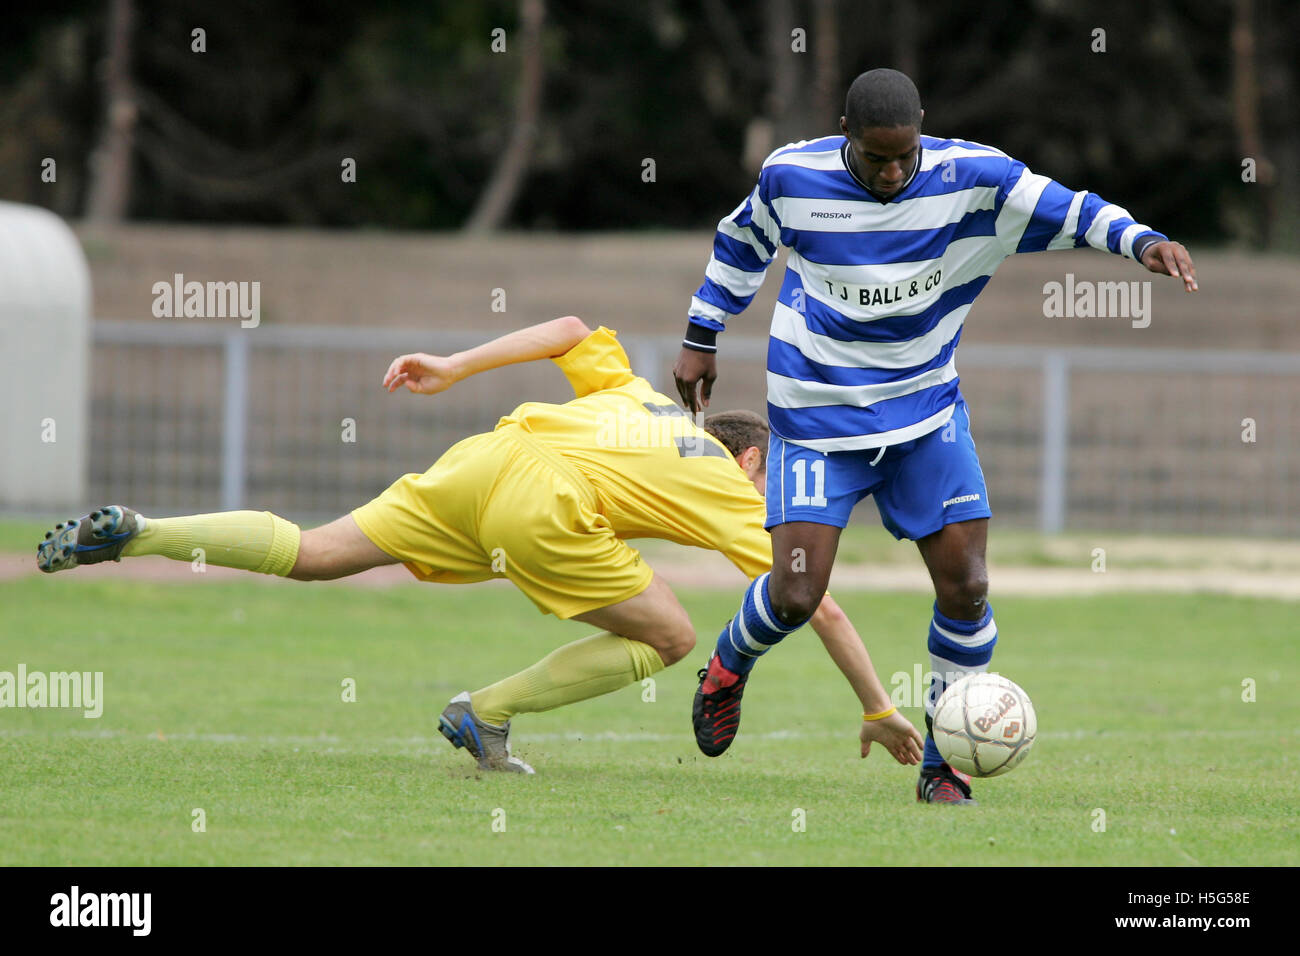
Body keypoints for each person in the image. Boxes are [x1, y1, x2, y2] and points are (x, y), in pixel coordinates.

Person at [38, 316, 923, 773]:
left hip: (488, 454)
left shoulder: (647, 396)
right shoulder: (734, 482)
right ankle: (486, 711)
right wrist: (880, 708)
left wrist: (455, 366)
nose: (779, 501)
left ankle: (143, 533)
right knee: (674, 636)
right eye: (777, 480)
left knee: (312, 553)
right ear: (756, 456)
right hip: (544, 505)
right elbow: (817, 600)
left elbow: (571, 329)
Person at [674, 68, 1199, 804]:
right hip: (816, 414)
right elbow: (741, 244)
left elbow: (1065, 205)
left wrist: (1139, 240)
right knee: (796, 592)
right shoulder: (794, 176)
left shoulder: (971, 177)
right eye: (875, 158)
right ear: (846, 137)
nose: (892, 173)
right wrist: (701, 336)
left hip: (924, 414)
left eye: (904, 156)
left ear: (922, 128)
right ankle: (728, 666)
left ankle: (942, 764)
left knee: (968, 584)